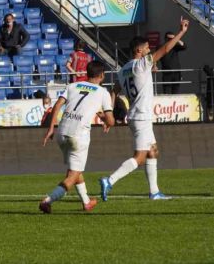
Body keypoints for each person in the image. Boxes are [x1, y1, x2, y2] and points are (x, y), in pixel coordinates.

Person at [100, 17, 190, 202]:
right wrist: (181, 32)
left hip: (135, 115)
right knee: (140, 157)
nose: (149, 50)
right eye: (147, 48)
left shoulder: (123, 69)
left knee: (152, 151)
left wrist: (109, 112)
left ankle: (154, 192)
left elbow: (115, 90)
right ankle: (109, 180)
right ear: (139, 50)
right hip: (141, 116)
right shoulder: (142, 64)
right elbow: (164, 50)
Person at [39, 61, 115, 214]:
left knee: (75, 170)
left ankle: (86, 202)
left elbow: (58, 105)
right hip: (79, 135)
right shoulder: (103, 92)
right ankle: (48, 201)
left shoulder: (73, 86)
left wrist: (51, 127)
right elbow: (111, 120)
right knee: (72, 175)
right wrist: (104, 118)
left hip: (62, 132)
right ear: (101, 75)